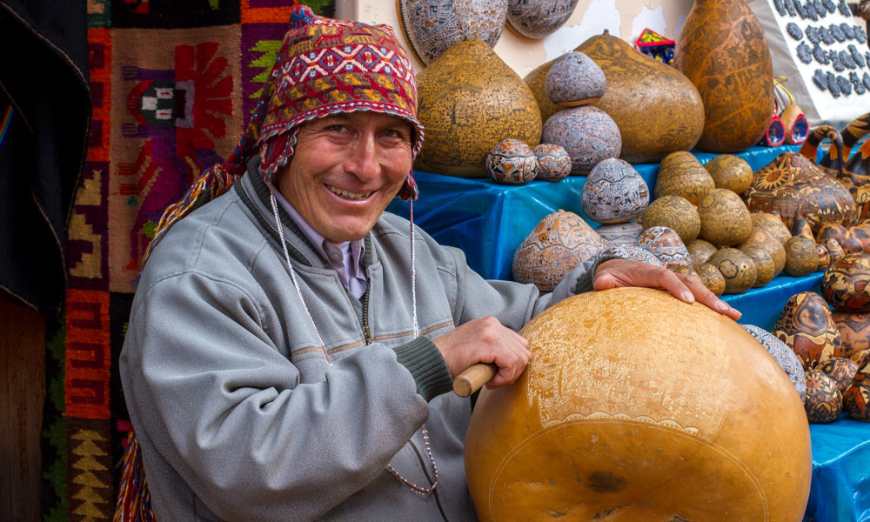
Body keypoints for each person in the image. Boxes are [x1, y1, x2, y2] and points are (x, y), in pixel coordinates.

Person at [118, 6, 741, 521]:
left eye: (391, 136)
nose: (367, 167)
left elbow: (518, 323)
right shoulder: (198, 277)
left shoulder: (402, 247)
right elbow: (247, 466)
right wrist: (428, 364)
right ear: (282, 139)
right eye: (338, 129)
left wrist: (591, 285)